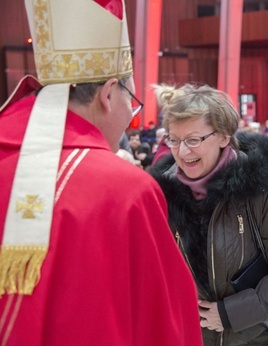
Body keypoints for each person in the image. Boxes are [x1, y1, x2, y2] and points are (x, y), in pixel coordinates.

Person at [0, 1, 202, 344]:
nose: (131, 113)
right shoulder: (126, 190)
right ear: (108, 94)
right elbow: (165, 324)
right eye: (132, 101)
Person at [150, 83, 268, 345]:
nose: (182, 152)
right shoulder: (161, 194)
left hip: (258, 338)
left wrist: (227, 314)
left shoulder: (257, 192)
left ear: (224, 136)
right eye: (174, 140)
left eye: (193, 140)